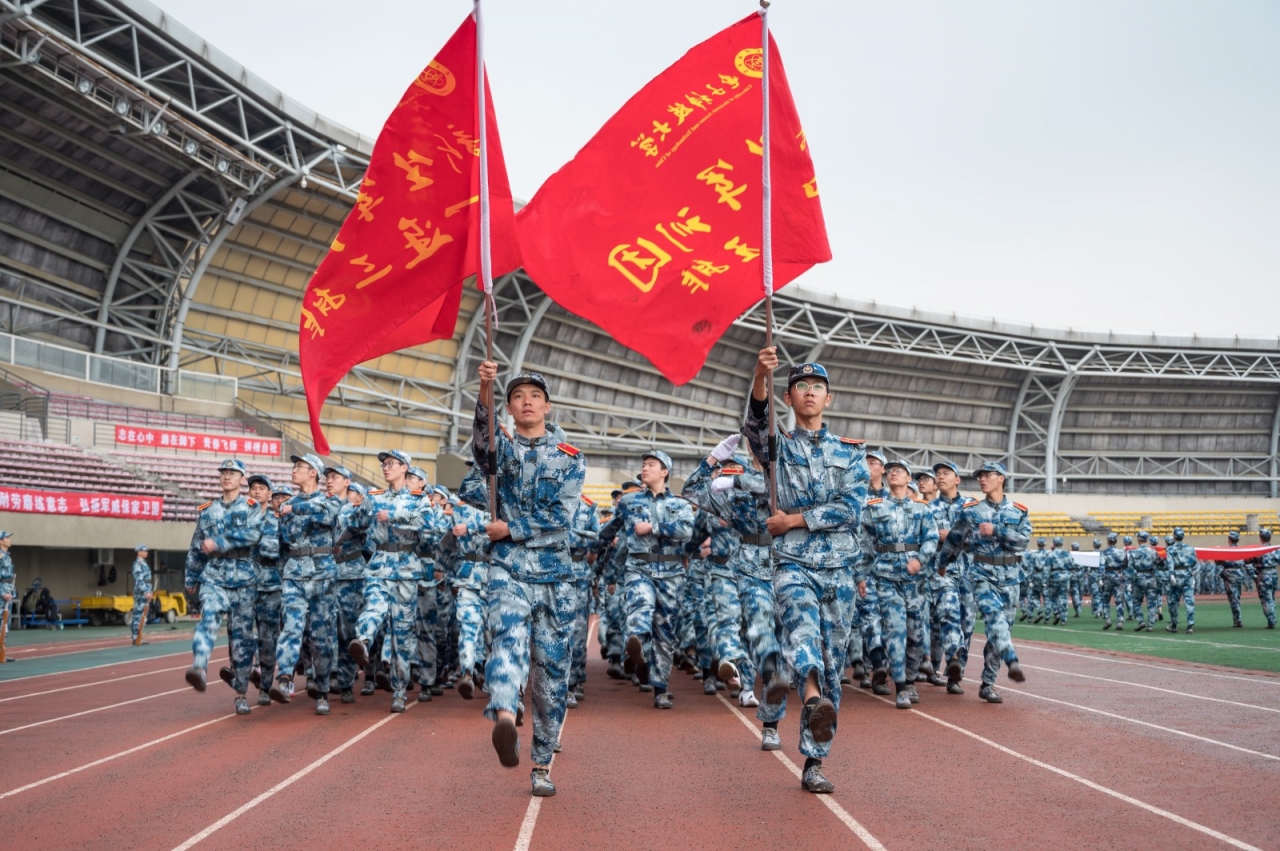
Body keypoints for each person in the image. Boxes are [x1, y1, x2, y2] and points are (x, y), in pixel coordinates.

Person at [743, 350, 868, 794]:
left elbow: (850, 509)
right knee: (801, 635)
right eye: (800, 386)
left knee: (833, 663)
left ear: (828, 399)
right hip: (793, 564)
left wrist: (794, 519)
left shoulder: (852, 454)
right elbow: (757, 426)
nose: (809, 392)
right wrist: (760, 376)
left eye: (817, 387)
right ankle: (811, 698)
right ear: (789, 397)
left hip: (838, 568)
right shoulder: (777, 447)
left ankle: (815, 761)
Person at [474, 365, 585, 798]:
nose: (526, 401)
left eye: (534, 395)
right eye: (517, 394)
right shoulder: (501, 450)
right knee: (505, 639)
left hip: (555, 574)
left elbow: (563, 517)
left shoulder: (571, 457)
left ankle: (541, 762)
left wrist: (511, 528)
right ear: (509, 406)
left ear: (547, 404)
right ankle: (503, 713)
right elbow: (483, 441)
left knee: (551, 675)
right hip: (509, 568)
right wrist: (484, 388)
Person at [937, 461, 1029, 705]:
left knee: (1001, 631)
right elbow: (955, 539)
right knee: (993, 618)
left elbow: (1022, 543)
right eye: (980, 476)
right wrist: (943, 563)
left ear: (1001, 478)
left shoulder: (1019, 511)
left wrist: (997, 530)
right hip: (982, 574)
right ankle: (1012, 659)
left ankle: (988, 683)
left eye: (988, 475)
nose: (982, 479)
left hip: (1010, 577)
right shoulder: (971, 511)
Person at [349, 450, 432, 713]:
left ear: (404, 467)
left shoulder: (419, 499)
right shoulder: (374, 498)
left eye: (390, 464)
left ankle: (399, 690)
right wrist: (338, 545)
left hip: (406, 569)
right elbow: (354, 523)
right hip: (379, 563)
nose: (385, 468)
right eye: (383, 465)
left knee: (402, 634)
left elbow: (434, 526)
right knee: (373, 604)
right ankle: (362, 641)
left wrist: (396, 517)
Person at [614, 449, 695, 709]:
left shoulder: (681, 504)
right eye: (644, 464)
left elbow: (686, 531)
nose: (645, 468)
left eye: (651, 464)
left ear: (665, 472)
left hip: (671, 573)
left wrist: (654, 528)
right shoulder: (628, 502)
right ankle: (637, 653)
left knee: (665, 631)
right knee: (640, 611)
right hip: (639, 568)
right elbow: (611, 531)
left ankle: (660, 688)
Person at [184, 459, 264, 716]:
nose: (227, 476)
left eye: (233, 473)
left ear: (243, 479)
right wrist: (191, 577)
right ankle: (199, 665)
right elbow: (197, 546)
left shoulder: (251, 507)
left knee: (241, 640)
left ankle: (240, 692)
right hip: (214, 576)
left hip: (243, 579)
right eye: (224, 473)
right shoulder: (207, 510)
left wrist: (218, 541)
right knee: (208, 618)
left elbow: (253, 535)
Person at [859, 460, 939, 709]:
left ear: (909, 479)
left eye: (900, 471)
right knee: (895, 630)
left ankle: (911, 677)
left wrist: (920, 560)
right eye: (891, 470)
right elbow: (864, 544)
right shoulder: (873, 508)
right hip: (886, 578)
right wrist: (861, 576)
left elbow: (932, 538)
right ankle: (902, 687)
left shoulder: (922, 510)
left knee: (915, 635)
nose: (894, 473)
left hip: (915, 580)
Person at [269, 453, 343, 715]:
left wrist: (296, 508)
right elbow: (283, 540)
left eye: (299, 467)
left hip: (322, 575)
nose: (293, 471)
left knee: (321, 639)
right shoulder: (287, 505)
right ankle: (284, 677)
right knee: (291, 627)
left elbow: (327, 516)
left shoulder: (328, 501)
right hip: (294, 574)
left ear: (313, 472)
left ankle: (322, 690)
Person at [928, 461, 974, 694]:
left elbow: (984, 540)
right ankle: (953, 655)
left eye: (946, 473)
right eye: (938, 474)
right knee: (948, 613)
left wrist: (953, 536)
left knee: (967, 623)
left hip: (969, 573)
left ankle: (956, 675)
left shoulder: (973, 507)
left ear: (958, 479)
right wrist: (935, 537)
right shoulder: (928, 508)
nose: (940, 476)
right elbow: (922, 539)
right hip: (941, 572)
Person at [329, 470, 371, 703]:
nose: (329, 481)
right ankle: (324, 678)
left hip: (350, 576)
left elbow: (367, 534)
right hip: (323, 575)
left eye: (334, 477)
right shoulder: (322, 506)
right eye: (327, 477)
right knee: (324, 630)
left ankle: (345, 681)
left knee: (346, 630)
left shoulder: (355, 511)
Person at [248, 477, 284, 705]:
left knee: (268, 638)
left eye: (262, 488)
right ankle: (243, 673)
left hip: (271, 587)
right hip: (245, 585)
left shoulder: (278, 521)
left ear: (269, 494)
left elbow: (278, 551)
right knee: (240, 633)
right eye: (253, 488)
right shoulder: (240, 518)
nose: (257, 491)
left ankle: (265, 685)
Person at [1165, 527, 1198, 634]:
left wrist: (1171, 576)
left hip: (1176, 576)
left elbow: (1170, 564)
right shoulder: (1191, 548)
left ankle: (1174, 625)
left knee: (1173, 602)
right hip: (1188, 576)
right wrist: (1193, 575)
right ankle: (1190, 625)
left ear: (1174, 536)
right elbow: (1195, 564)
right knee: (1189, 601)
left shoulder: (1170, 549)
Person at [1128, 531, 1158, 632]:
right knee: (1152, 602)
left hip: (1139, 578)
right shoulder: (1153, 552)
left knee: (1136, 602)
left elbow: (1130, 568)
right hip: (1151, 578)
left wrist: (1129, 582)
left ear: (1139, 539)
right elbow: (1159, 565)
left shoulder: (1133, 552)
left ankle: (1141, 621)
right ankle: (1150, 624)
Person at [1098, 532, 1127, 630]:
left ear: (1107, 541)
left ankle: (1108, 619)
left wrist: (1100, 578)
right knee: (1119, 600)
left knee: (1106, 599)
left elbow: (1101, 566)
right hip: (1119, 576)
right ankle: (1120, 621)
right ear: (1116, 541)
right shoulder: (1121, 552)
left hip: (1108, 577)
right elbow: (1125, 565)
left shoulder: (1104, 552)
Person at [1252, 529, 1277, 629]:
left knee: (1266, 599)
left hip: (1263, 576)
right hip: (1274, 575)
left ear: (1260, 538)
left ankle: (1271, 620)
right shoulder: (1276, 550)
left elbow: (1248, 560)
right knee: (1272, 597)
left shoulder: (1259, 551)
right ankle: (1272, 617)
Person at [130, 545, 152, 645]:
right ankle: (136, 636)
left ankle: (139, 635)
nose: (146, 552)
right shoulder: (138, 563)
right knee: (139, 614)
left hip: (146, 589)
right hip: (141, 592)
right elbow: (139, 579)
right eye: (144, 551)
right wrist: (145, 592)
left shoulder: (143, 563)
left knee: (143, 614)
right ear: (139, 552)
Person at [1, 531, 15, 660]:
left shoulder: (7, 556)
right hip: (2, 594)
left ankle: (2, 652)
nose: (9, 539)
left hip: (8, 591)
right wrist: (2, 592)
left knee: (6, 623)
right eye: (6, 537)